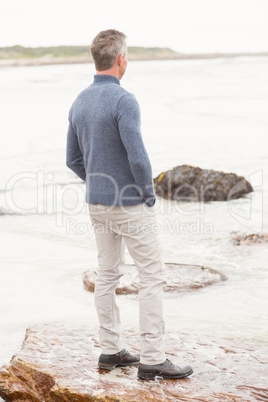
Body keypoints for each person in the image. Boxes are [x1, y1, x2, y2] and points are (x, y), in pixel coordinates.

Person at [66, 29, 193, 380]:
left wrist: (97, 185)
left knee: (107, 274)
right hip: (129, 204)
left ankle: (111, 350)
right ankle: (152, 358)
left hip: (96, 203)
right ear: (121, 60)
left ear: (97, 60)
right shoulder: (124, 100)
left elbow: (72, 160)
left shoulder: (79, 101)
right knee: (152, 276)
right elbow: (138, 158)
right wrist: (148, 194)